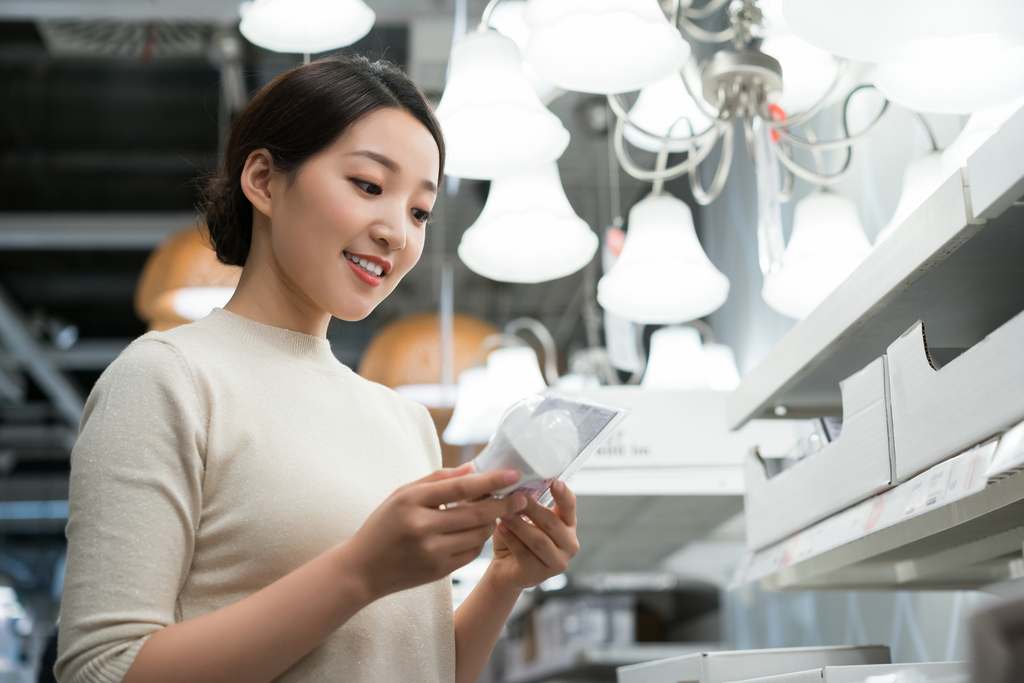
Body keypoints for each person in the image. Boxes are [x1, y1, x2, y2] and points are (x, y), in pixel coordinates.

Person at [55, 56, 579, 683]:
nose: (397, 234)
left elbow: (420, 667)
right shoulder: (167, 379)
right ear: (264, 180)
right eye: (368, 185)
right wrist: (359, 571)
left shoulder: (405, 420)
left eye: (419, 211)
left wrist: (502, 580)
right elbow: (102, 669)